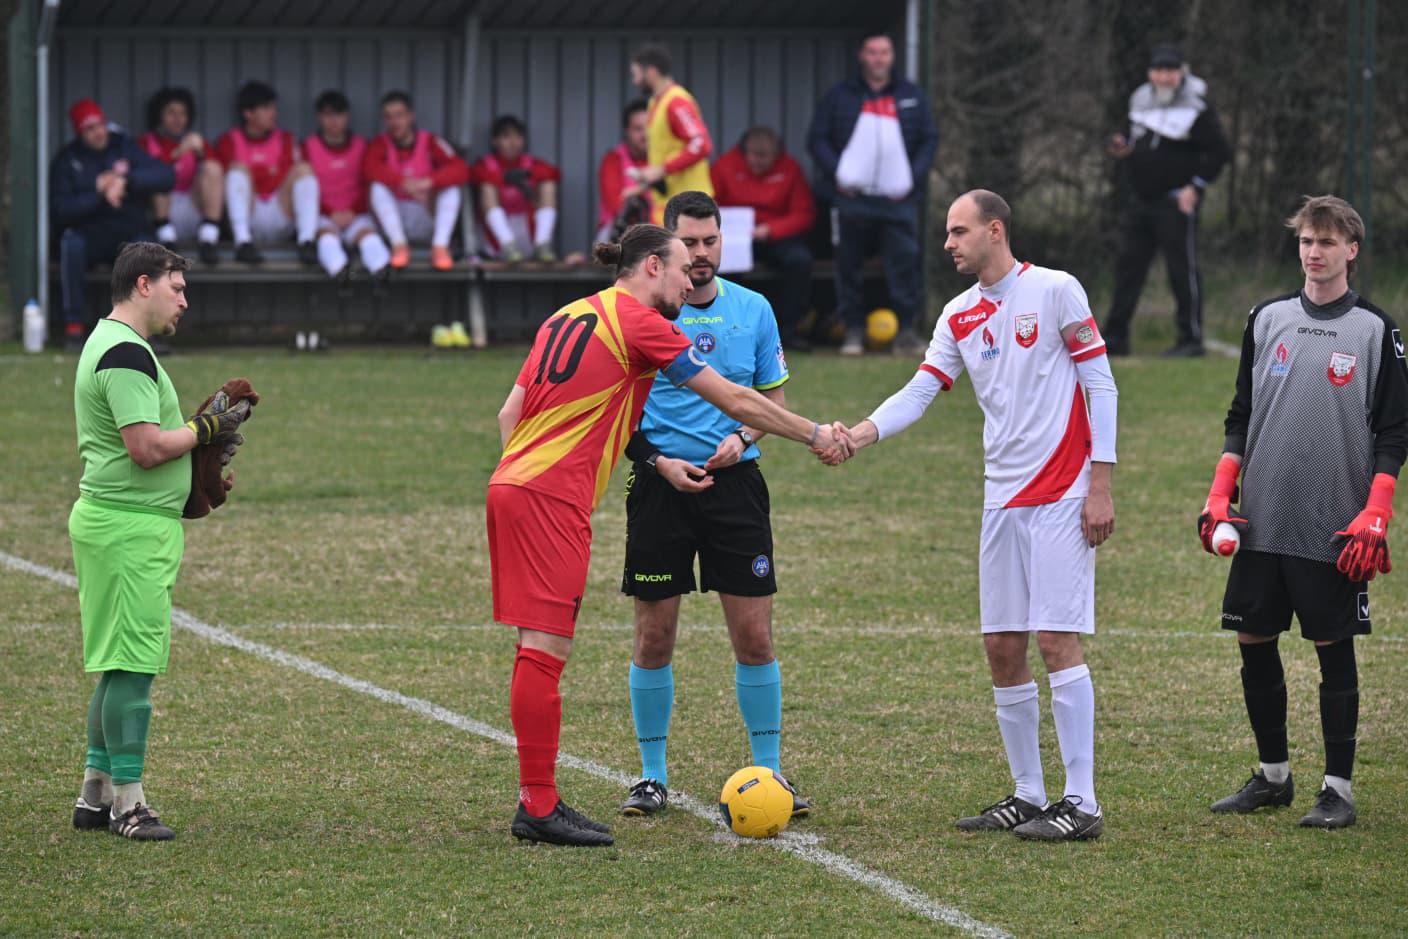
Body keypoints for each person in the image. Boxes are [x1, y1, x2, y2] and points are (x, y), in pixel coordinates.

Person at [488, 223, 850, 846]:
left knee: (537, 648)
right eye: (683, 267)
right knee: (543, 653)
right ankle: (538, 807)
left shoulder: (568, 314)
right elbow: (736, 398)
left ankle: (540, 801)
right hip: (549, 498)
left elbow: (509, 414)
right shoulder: (640, 321)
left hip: (515, 485)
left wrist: (534, 473)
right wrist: (816, 433)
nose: (691, 279)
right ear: (652, 265)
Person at [833, 190, 1117, 841]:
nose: (948, 243)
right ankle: (1028, 792)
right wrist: (863, 432)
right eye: (947, 233)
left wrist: (1100, 482)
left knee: (1055, 640)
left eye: (959, 231)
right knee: (1001, 646)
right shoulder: (959, 313)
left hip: (1064, 493)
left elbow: (1101, 383)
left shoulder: (1055, 290)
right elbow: (922, 389)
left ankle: (1083, 802)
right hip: (1001, 500)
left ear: (995, 230)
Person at [1199, 196, 1408, 829]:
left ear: (1352, 250)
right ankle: (1273, 777)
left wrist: (1376, 511)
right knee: (1253, 638)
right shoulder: (1267, 318)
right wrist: (1219, 496)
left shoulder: (1377, 330)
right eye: (1306, 242)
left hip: (1334, 525)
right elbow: (1241, 416)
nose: (1314, 253)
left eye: (1326, 242)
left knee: (1331, 646)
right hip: (1261, 517)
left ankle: (1338, 790)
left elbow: (1395, 434)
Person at [615, 192, 807, 819]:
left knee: (754, 636)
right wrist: (657, 461)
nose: (700, 255)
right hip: (660, 486)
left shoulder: (754, 310)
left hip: (736, 491)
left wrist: (745, 437)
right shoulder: (641, 317)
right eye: (688, 244)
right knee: (654, 635)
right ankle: (651, 776)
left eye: (709, 242)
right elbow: (617, 411)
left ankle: (771, 774)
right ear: (664, 249)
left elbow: (770, 393)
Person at [68, 242, 252, 841]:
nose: (184, 300)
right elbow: (145, 448)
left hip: (120, 523)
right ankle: (130, 803)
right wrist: (205, 429)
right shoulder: (125, 353)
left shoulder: (115, 344)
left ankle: (95, 795)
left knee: (117, 666)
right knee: (134, 668)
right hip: (128, 529)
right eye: (177, 288)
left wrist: (196, 455)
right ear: (142, 284)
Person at [808, 33, 937, 357]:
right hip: (852, 199)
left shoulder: (911, 95)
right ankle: (852, 330)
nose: (878, 58)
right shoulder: (840, 96)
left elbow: (929, 139)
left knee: (904, 262)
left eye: (884, 52)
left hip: (898, 201)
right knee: (847, 265)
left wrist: (911, 177)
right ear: (862, 56)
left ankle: (906, 332)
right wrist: (840, 173)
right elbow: (817, 138)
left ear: (892, 56)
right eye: (872, 52)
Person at [1102, 42, 1231, 357]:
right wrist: (1121, 146)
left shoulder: (1196, 109)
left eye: (1170, 71)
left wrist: (1195, 188)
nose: (1164, 77)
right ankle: (1116, 338)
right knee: (1128, 269)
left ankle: (1191, 339)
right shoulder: (1140, 101)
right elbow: (1129, 137)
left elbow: (1219, 152)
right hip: (1140, 202)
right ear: (1150, 74)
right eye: (1159, 71)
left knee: (1181, 271)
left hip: (1175, 203)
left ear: (1180, 73)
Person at [51, 98, 176, 352]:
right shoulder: (69, 159)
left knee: (146, 253)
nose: (98, 133)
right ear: (79, 132)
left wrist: (125, 181)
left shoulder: (123, 147)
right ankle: (74, 328)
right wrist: (98, 193)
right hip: (89, 233)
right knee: (70, 244)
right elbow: (61, 211)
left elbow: (166, 176)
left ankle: (146, 332)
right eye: (89, 129)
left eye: (100, 125)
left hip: (127, 232)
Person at [711, 126, 817, 349]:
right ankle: (731, 329)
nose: (758, 162)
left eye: (764, 156)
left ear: (776, 154)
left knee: (800, 261)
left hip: (774, 236)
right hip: (735, 238)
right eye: (753, 155)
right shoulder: (724, 166)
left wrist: (771, 229)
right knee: (723, 266)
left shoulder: (790, 169)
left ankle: (789, 329)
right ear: (744, 152)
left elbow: (803, 213)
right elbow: (710, 204)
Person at [215, 81, 321, 266]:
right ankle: (243, 243)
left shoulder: (286, 139)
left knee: (303, 169)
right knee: (237, 170)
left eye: (273, 108)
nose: (273, 113)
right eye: (266, 108)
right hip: (249, 213)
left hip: (280, 210)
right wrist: (268, 172)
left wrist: (256, 174)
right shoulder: (229, 140)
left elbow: (287, 173)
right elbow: (222, 183)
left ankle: (307, 241)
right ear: (248, 113)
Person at [364, 90, 470, 272]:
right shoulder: (380, 144)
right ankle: (398, 246)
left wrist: (428, 182)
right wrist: (403, 182)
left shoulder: (430, 141)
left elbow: (460, 169)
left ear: (411, 117)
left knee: (452, 190)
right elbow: (369, 168)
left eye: (399, 116)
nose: (395, 122)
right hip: (395, 220)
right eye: (389, 117)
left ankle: (440, 247)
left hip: (425, 212)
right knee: (377, 188)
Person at [303, 90, 391, 288]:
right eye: (327, 115)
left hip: (356, 213)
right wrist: (329, 212)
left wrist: (353, 211)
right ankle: (342, 274)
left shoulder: (362, 146)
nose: (333, 121)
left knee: (369, 238)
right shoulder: (308, 147)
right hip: (323, 214)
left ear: (347, 116)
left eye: (339, 114)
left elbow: (369, 183)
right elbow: (304, 192)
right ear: (319, 117)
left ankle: (382, 272)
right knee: (327, 237)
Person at [629, 44, 713, 225]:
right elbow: (667, 151)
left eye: (636, 74)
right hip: (669, 203)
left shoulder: (676, 102)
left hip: (689, 206)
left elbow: (701, 144)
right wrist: (645, 183)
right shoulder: (655, 102)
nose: (634, 81)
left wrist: (662, 170)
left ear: (650, 72)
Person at [139, 87, 223, 264]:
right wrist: (177, 153)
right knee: (159, 174)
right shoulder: (146, 142)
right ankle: (166, 241)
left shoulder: (196, 142)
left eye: (183, 113)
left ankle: (209, 239)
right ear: (159, 115)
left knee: (212, 168)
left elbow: (216, 175)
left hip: (192, 208)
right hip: (159, 213)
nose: (178, 119)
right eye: (171, 113)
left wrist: (200, 153)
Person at [471, 115, 562, 263]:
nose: (513, 143)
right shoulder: (486, 164)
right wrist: (505, 178)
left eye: (518, 136)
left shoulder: (530, 163)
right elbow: (475, 175)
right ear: (495, 141)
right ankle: (508, 245)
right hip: (497, 243)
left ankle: (542, 245)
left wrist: (528, 177)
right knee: (487, 188)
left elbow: (554, 173)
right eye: (506, 136)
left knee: (548, 185)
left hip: (527, 238)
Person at [596, 99, 653, 244]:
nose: (645, 135)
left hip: (660, 233)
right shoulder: (613, 159)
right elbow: (617, 204)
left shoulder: (666, 162)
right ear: (627, 131)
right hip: (618, 236)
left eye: (649, 128)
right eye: (638, 129)